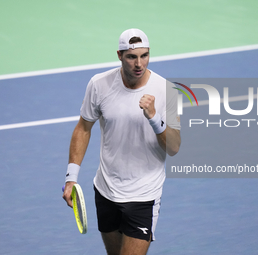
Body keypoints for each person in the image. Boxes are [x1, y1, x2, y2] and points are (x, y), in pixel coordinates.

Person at [63, 28, 181, 255]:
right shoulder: (99, 84)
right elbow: (83, 128)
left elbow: (174, 147)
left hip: (143, 195)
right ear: (119, 55)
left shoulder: (167, 91)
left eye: (144, 55)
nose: (139, 64)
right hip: (105, 190)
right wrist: (71, 178)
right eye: (131, 57)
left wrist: (155, 118)